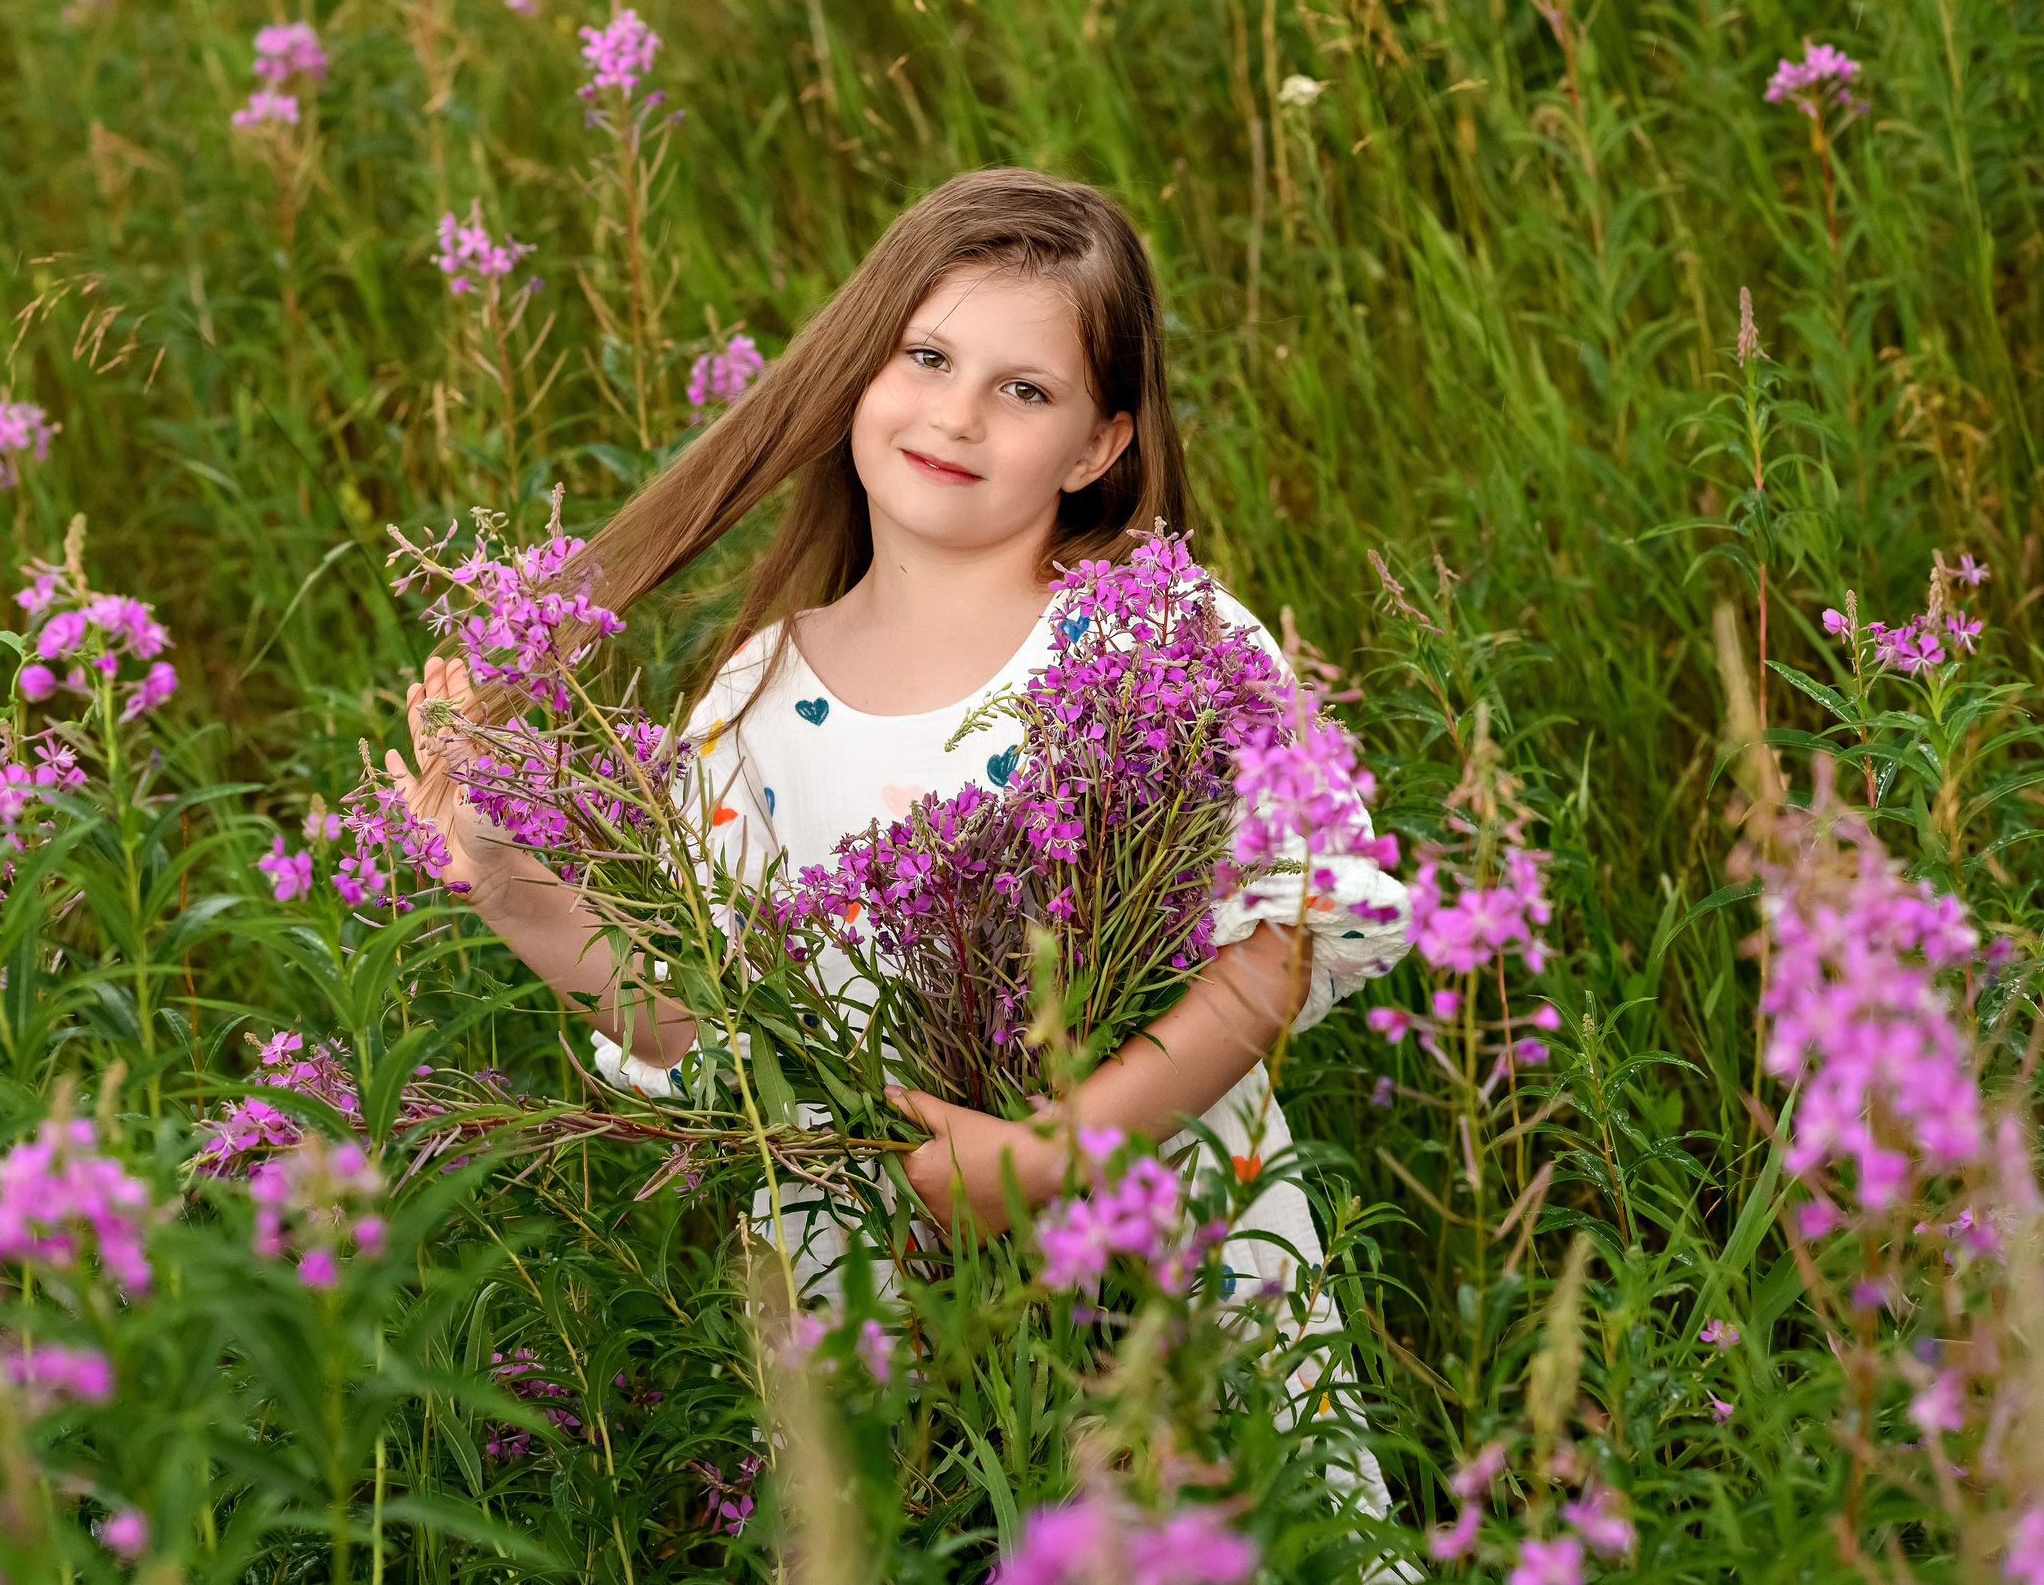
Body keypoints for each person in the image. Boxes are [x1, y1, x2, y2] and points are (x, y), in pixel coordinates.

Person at [384, 167, 1405, 1510]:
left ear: (1100, 446)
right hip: (883, 1335)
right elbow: (720, 1027)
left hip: (1164, 1295)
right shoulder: (753, 696)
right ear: (864, 366)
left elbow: (1277, 945)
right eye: (927, 356)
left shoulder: (1169, 641)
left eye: (1023, 390)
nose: (956, 414)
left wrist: (1052, 1156)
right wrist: (514, 892)